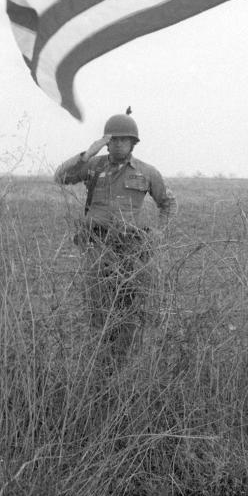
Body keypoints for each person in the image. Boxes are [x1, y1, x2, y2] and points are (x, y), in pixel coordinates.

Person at [55, 111, 175, 355]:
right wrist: (87, 154)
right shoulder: (92, 166)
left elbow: (167, 203)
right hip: (96, 245)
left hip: (131, 248)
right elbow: (60, 177)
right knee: (98, 305)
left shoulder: (147, 172)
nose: (119, 144)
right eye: (114, 139)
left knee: (129, 305)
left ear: (133, 143)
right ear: (106, 142)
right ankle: (100, 359)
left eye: (125, 139)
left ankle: (123, 359)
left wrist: (159, 233)